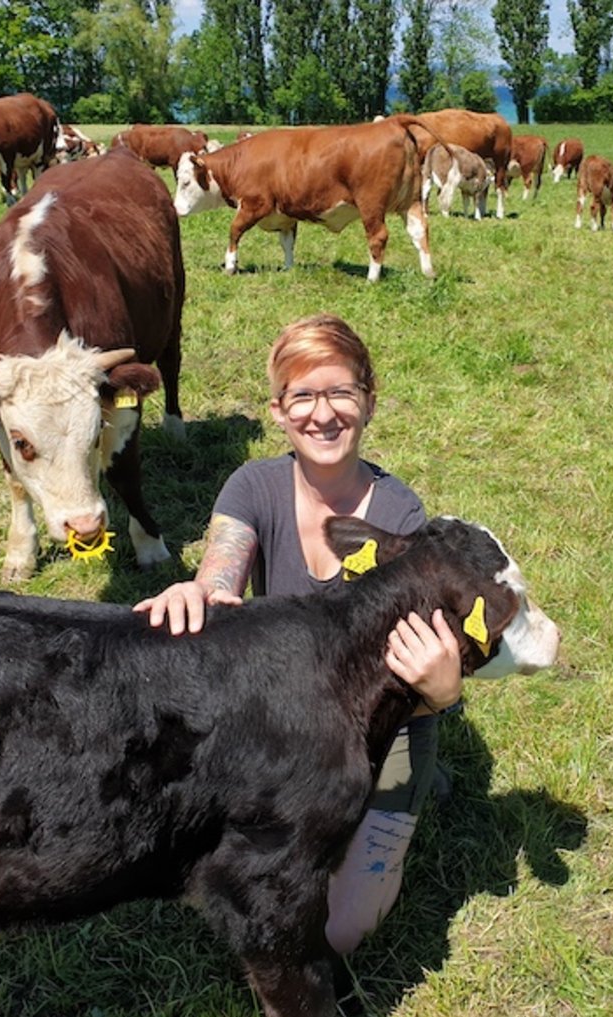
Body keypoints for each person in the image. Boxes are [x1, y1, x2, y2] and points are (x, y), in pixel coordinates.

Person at [133, 313, 463, 955]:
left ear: (369, 402)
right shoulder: (253, 485)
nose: (323, 413)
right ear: (279, 412)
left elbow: (419, 663)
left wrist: (444, 695)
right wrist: (192, 594)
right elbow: (220, 580)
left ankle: (417, 782)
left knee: (333, 935)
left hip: (385, 724)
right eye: (303, 397)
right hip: (284, 713)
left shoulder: (400, 514)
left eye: (340, 392)